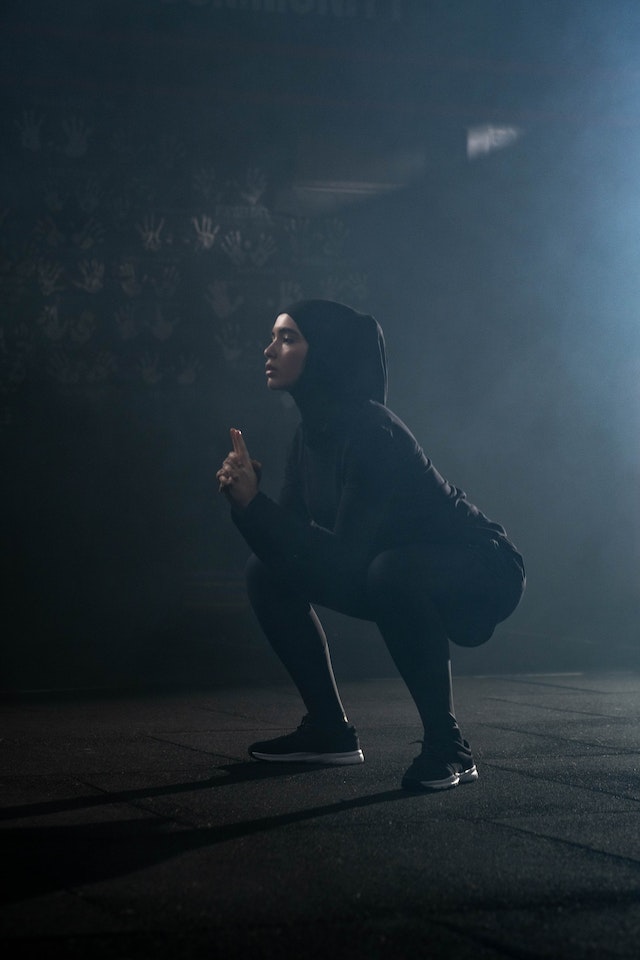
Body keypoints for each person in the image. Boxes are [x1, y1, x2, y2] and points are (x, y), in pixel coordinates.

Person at [216, 299, 525, 792]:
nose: (269, 348)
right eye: (275, 336)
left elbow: (343, 559)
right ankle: (328, 731)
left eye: (288, 337)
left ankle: (450, 747)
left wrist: (257, 507)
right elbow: (293, 549)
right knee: (265, 571)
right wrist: (250, 506)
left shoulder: (372, 430)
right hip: (390, 566)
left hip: (484, 565)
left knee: (389, 571)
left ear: (326, 355)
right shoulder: (308, 436)